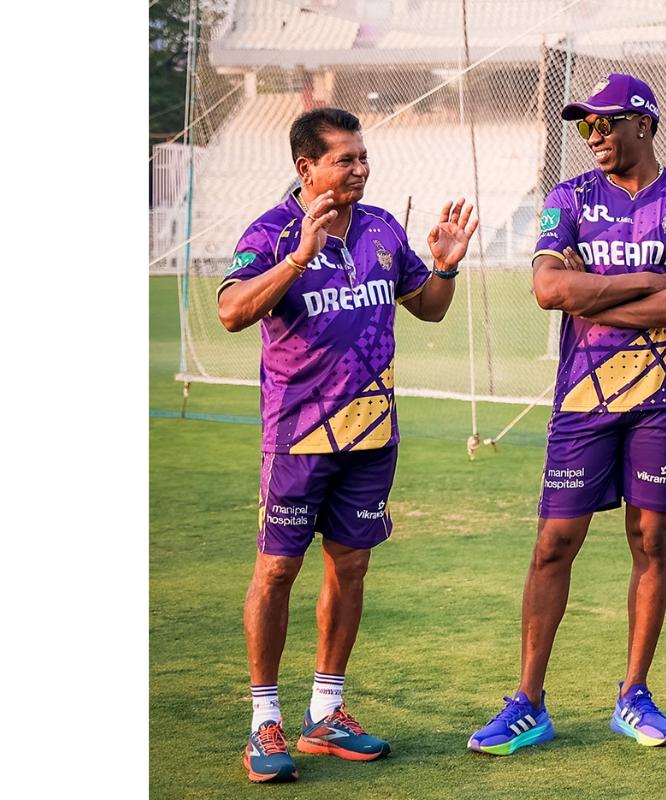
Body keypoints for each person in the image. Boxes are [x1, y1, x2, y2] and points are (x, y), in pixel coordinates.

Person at [217, 107, 477, 783]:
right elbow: (231, 311)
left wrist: (445, 269)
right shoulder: (271, 232)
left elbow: (429, 306)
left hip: (370, 435)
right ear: (307, 168)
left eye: (363, 157)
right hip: (298, 438)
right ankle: (263, 721)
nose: (360, 169)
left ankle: (326, 713)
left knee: (351, 566)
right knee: (276, 571)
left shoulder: (383, 228)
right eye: (345, 160)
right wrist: (298, 258)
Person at [467, 73, 666, 755]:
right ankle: (528, 703)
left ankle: (633, 695)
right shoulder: (569, 197)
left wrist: (596, 297)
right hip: (583, 400)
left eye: (606, 124)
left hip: (664, 401)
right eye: (586, 127)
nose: (595, 137)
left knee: (651, 543)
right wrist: (645, 282)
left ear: (645, 123)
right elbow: (549, 288)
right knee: (554, 543)